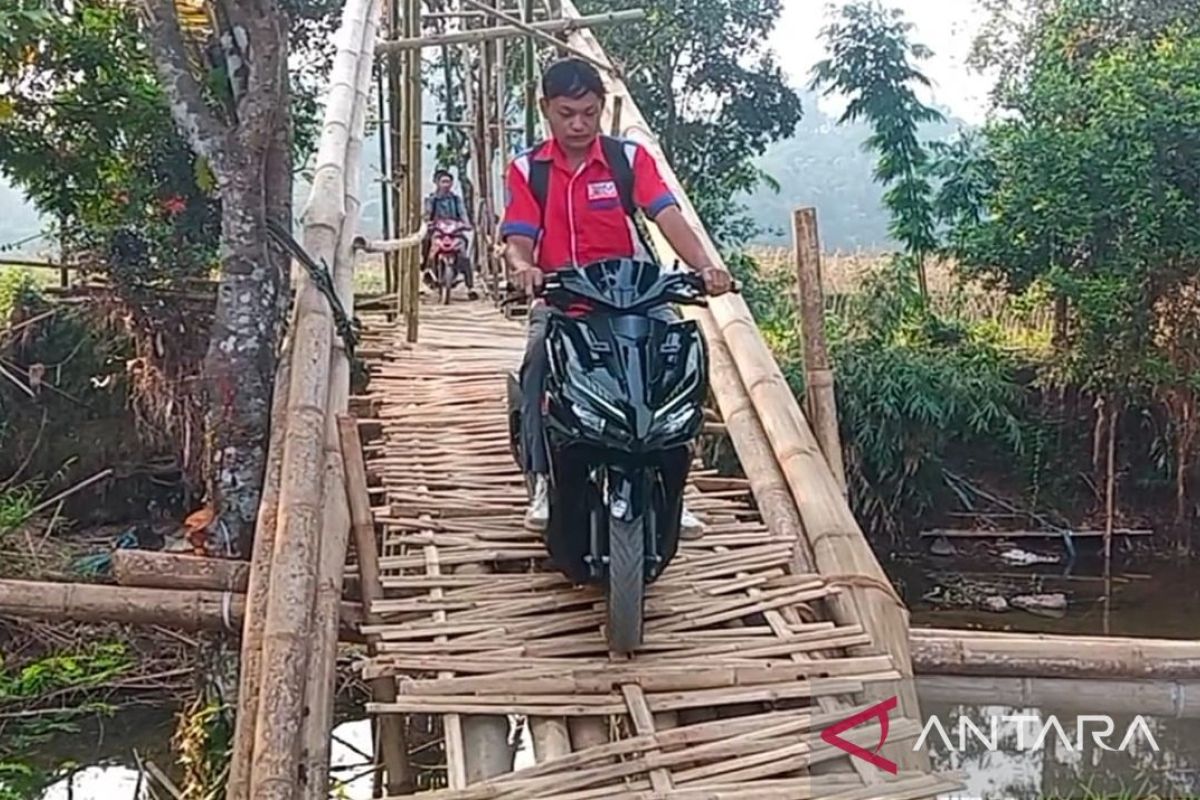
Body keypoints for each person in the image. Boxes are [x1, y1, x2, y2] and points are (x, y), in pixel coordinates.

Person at [500, 57, 733, 535]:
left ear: (603, 107)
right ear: (545, 109)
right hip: (566, 298)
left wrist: (705, 266)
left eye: (589, 111)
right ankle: (543, 479)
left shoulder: (629, 160)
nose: (579, 123)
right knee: (537, 364)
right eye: (567, 113)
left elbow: (666, 214)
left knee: (681, 359)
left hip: (636, 295)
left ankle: (674, 487)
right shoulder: (528, 170)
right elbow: (518, 236)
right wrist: (525, 269)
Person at [422, 169, 475, 297]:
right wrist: (427, 223)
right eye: (443, 181)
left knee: (463, 252)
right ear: (436, 183)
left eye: (448, 182)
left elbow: (463, 214)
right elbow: (427, 215)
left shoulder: (456, 200)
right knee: (428, 245)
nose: (446, 184)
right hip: (438, 231)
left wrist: (466, 224)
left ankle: (470, 285)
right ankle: (427, 269)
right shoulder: (431, 200)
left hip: (454, 232)